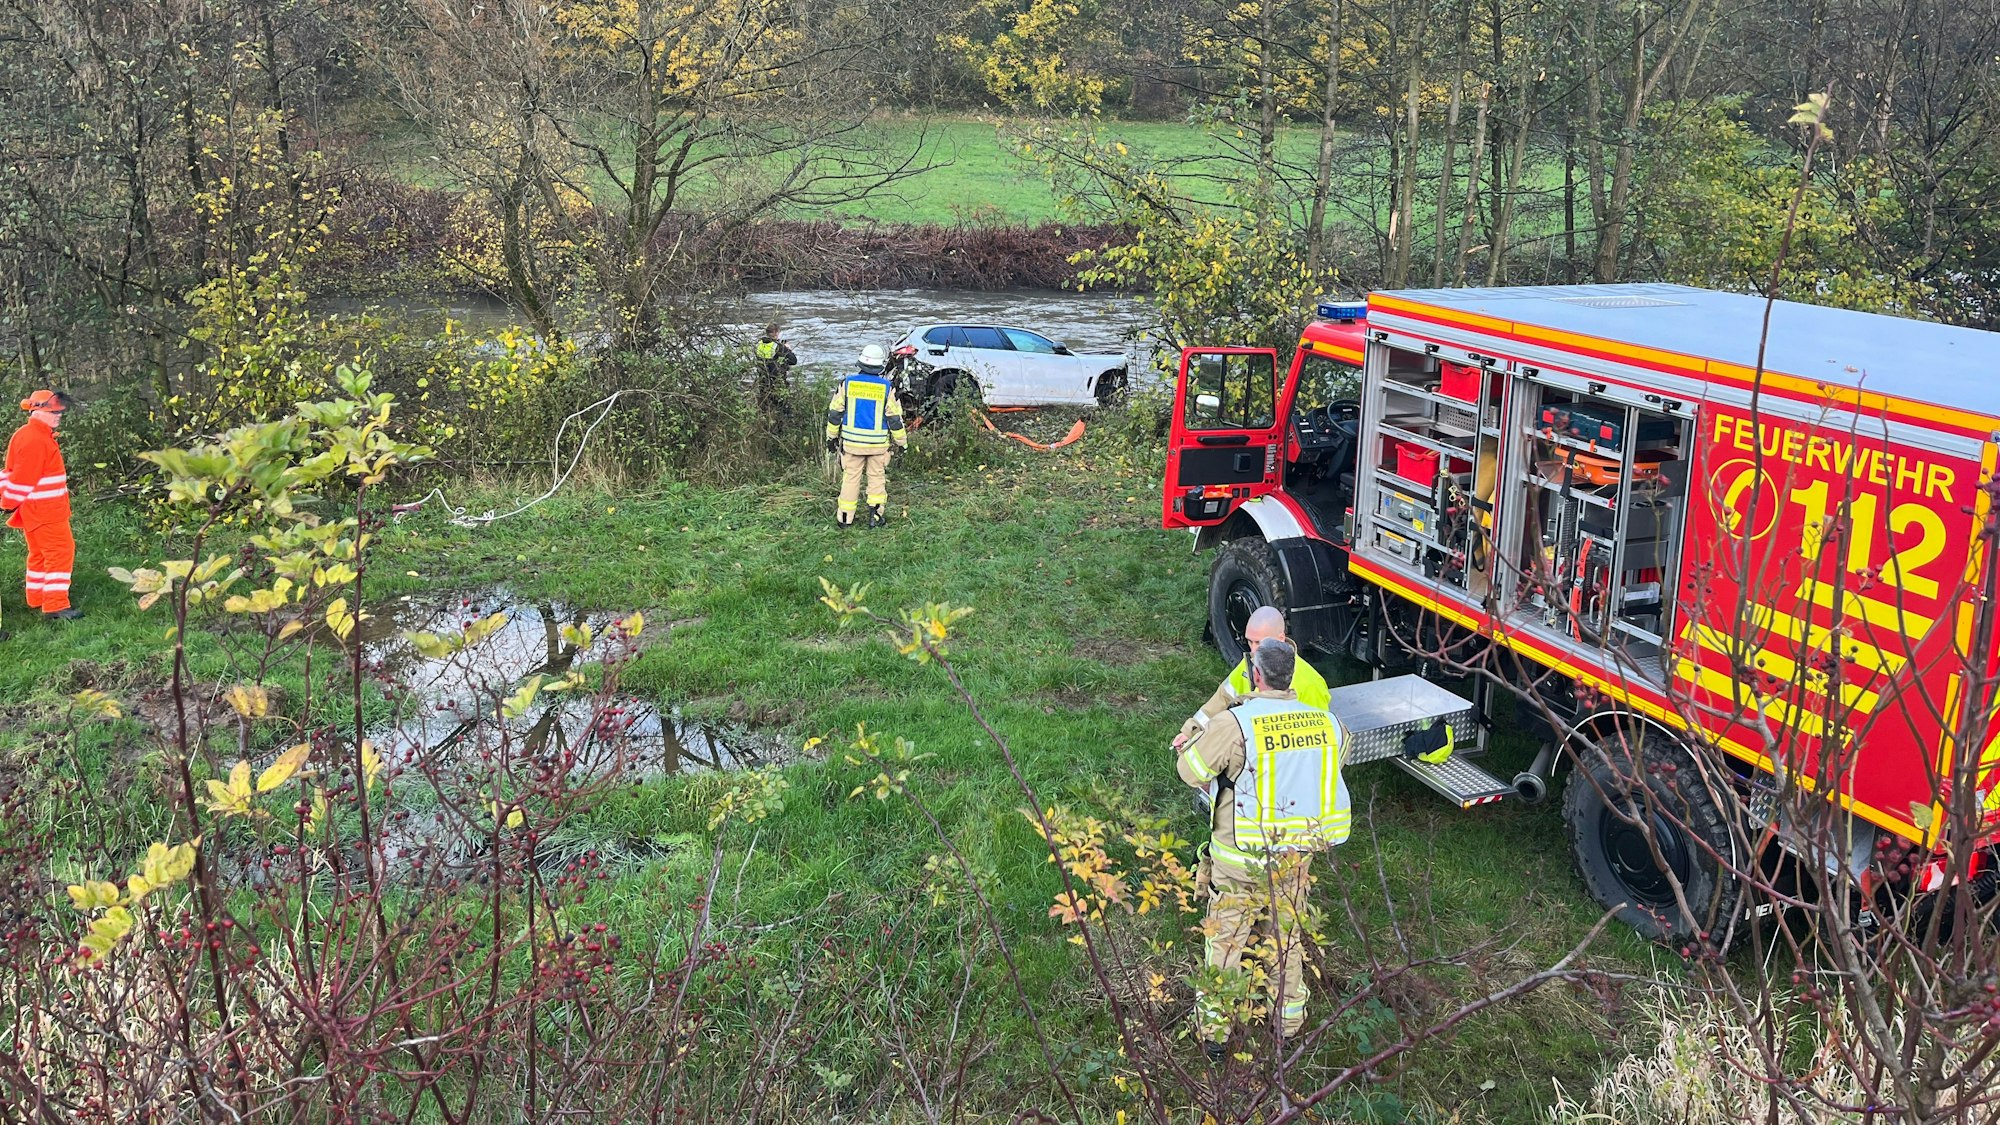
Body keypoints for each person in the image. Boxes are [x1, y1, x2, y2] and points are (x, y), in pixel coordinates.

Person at [1178, 638, 1349, 1049]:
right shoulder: (1329, 724)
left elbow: (1190, 770)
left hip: (1239, 861)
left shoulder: (1235, 725)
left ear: (1256, 675)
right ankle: (1288, 1023)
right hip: (1293, 861)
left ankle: (1216, 1034)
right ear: (1292, 675)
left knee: (1225, 943)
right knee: (1284, 941)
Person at [1174, 606, 1331, 751]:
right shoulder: (1249, 665)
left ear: (1281, 638)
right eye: (1249, 641)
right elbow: (1223, 698)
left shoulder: (1310, 684)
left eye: (1259, 643)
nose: (1253, 650)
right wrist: (1191, 730)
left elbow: (1322, 740)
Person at [1, 390, 82, 620]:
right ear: (36, 411)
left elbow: (10, 473)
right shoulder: (36, 439)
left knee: (39, 553)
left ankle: (37, 597)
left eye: (59, 411)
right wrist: (7, 503)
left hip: (36, 511)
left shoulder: (27, 434)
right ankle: (55, 605)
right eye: (53, 412)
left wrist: (9, 502)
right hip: (46, 512)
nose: (58, 416)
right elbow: (22, 478)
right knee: (59, 552)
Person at [825, 343, 907, 528]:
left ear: (860, 363)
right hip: (878, 446)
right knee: (877, 478)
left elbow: (835, 413)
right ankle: (875, 517)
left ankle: (845, 519)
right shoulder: (887, 388)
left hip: (852, 444)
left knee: (851, 478)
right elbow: (895, 419)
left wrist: (831, 437)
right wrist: (902, 443)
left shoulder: (848, 384)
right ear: (880, 367)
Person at [754, 323, 799, 427]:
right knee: (785, 411)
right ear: (776, 333)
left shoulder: (759, 344)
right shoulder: (777, 347)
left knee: (766, 411)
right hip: (777, 384)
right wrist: (786, 348)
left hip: (763, 384)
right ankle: (784, 431)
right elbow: (793, 360)